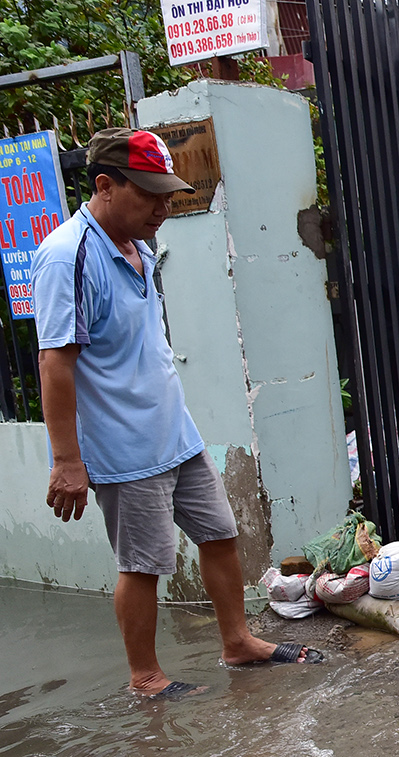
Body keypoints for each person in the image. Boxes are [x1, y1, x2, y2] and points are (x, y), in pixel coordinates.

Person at [32, 128, 324, 699]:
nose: (163, 208)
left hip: (175, 431)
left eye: (168, 196)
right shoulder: (68, 255)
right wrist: (67, 460)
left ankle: (237, 642)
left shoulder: (139, 247)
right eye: (150, 196)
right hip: (122, 444)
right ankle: (146, 677)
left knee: (219, 533)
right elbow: (54, 363)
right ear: (105, 186)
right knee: (143, 563)